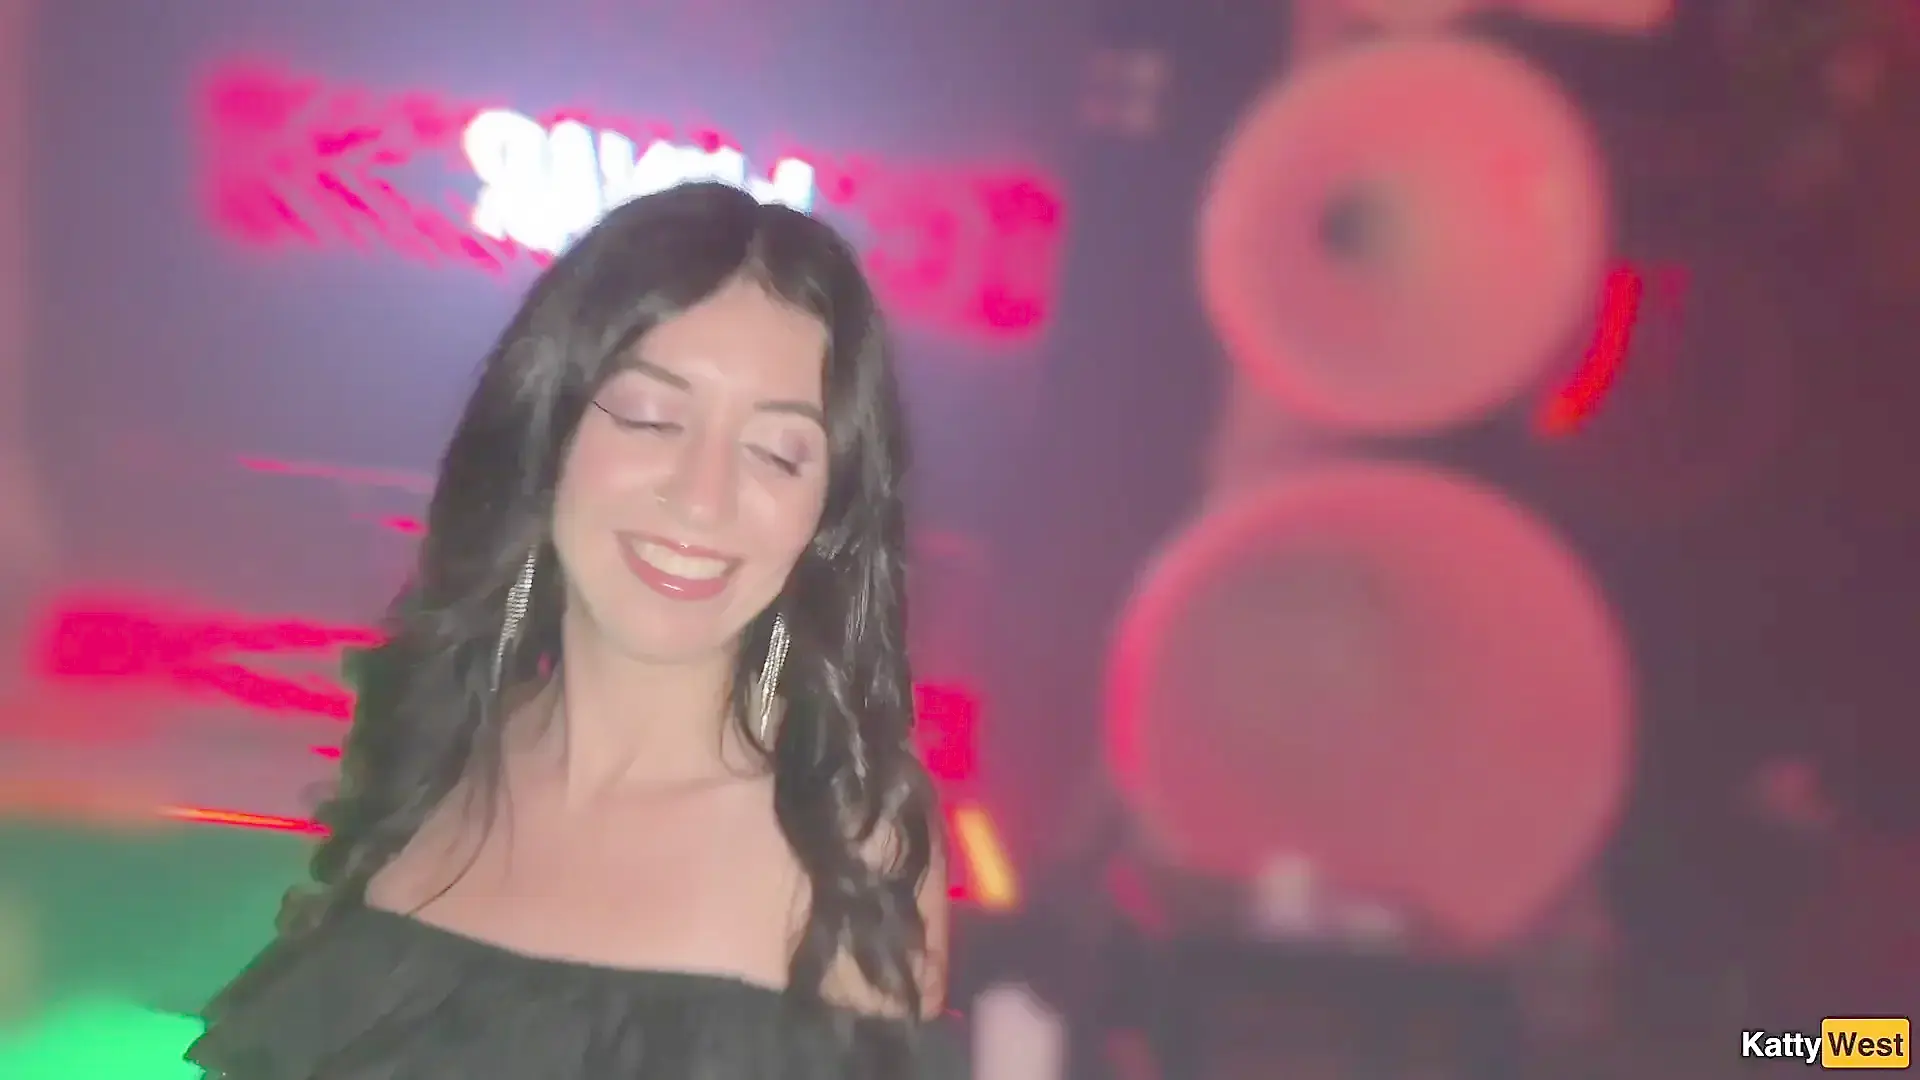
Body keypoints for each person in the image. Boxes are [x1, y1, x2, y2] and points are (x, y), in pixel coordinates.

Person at [188, 181, 960, 1078]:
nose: (701, 496)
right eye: (650, 417)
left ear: (826, 517)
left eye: (776, 452)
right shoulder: (438, 752)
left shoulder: (846, 854)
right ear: (546, 430)